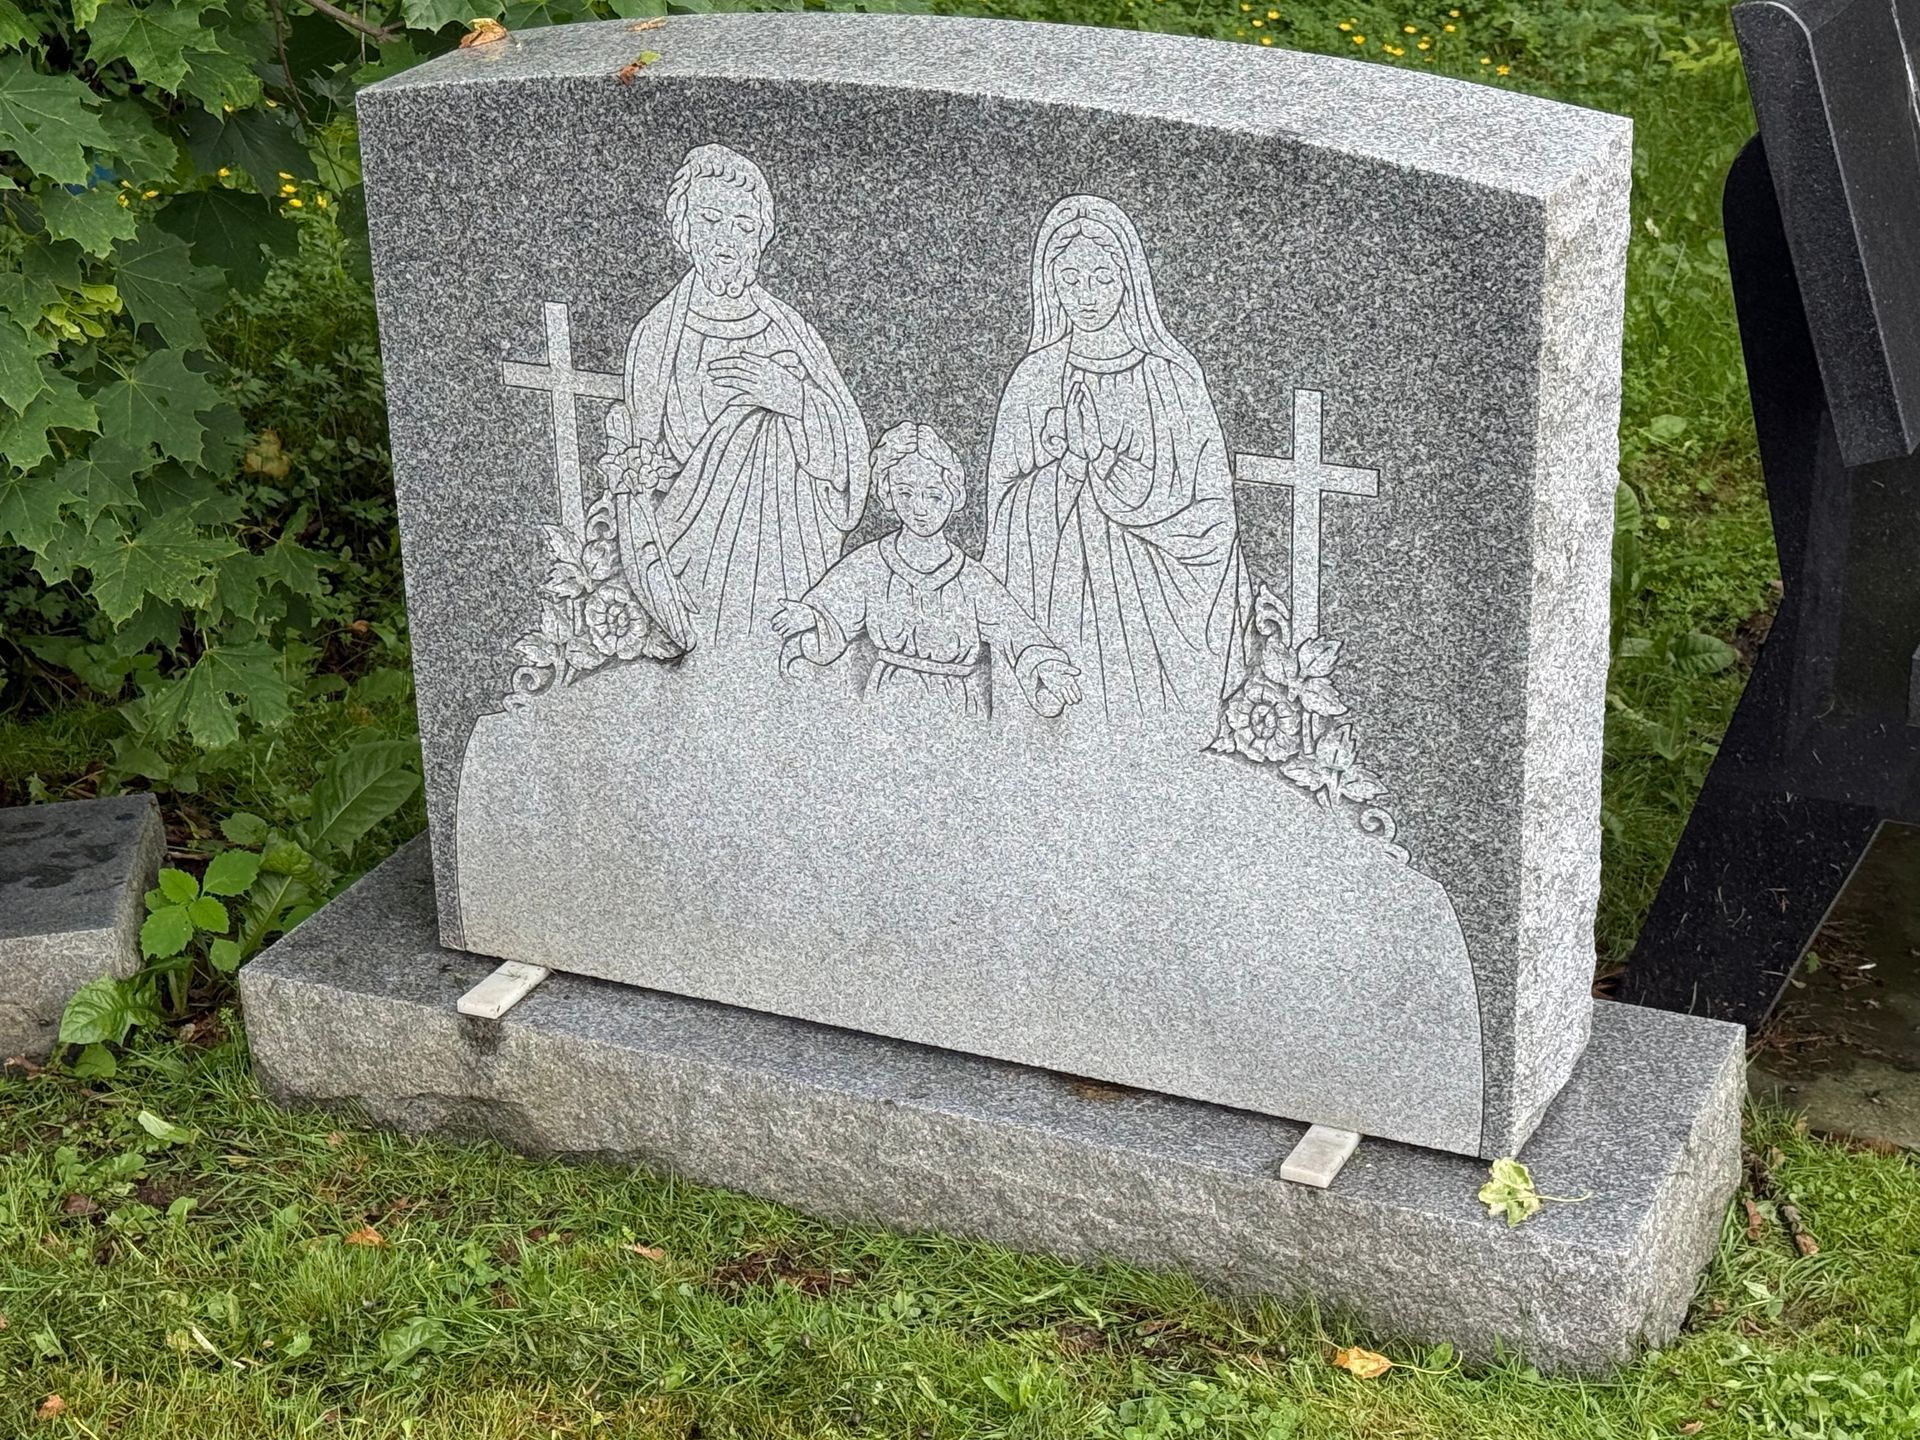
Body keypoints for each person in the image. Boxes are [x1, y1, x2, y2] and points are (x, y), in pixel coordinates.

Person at [985, 194, 1250, 734]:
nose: (1087, 295)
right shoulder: (1035, 378)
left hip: (1161, 600)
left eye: (1103, 278)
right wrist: (1070, 470)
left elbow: (1215, 509)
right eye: (1071, 280)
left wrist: (1126, 483)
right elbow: (1004, 511)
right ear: (1050, 285)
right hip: (1061, 591)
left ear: (1129, 279)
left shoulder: (1173, 379)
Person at [618, 144, 869, 645]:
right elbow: (642, 459)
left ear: (761, 238)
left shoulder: (787, 329)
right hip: (692, 537)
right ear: (684, 229)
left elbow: (846, 459)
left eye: (744, 225)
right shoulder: (658, 334)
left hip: (787, 545)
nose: (727, 238)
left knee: (768, 419)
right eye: (711, 219)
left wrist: (791, 398)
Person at [770, 422, 1082, 720]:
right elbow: (834, 608)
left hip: (960, 712)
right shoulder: (871, 564)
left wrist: (1046, 666)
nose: (920, 508)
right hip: (887, 707)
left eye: (933, 495)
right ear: (888, 493)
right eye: (906, 493)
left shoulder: (970, 579)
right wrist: (811, 616)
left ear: (954, 496)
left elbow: (1018, 632)